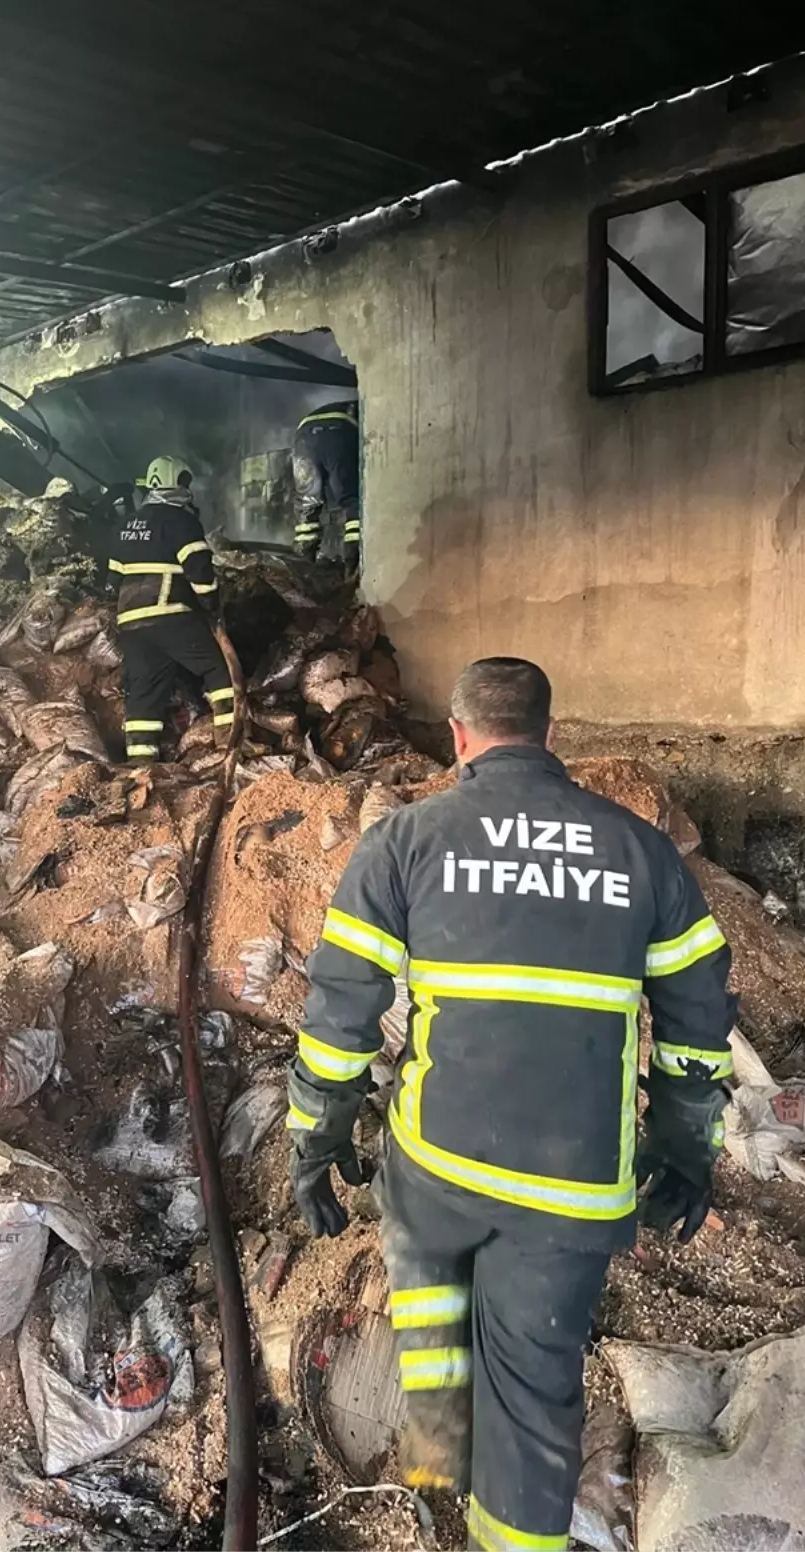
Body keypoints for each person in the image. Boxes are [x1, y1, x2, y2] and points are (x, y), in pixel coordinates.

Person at [287, 657, 733, 1551]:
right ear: (551, 734)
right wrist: (687, 1144)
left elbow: (340, 1009)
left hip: (434, 1170)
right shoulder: (637, 849)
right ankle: (505, 1532)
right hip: (569, 1192)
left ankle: (434, 1484)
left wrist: (317, 1132)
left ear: (457, 738)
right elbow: (699, 1012)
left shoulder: (406, 841)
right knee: (533, 1395)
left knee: (432, 1337)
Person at [106, 455, 234, 762]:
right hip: (171, 614)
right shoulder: (181, 520)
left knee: (144, 690)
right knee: (218, 669)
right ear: (177, 482)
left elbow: (112, 581)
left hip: (131, 622)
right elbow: (200, 572)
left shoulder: (126, 524)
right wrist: (212, 607)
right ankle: (229, 744)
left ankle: (140, 763)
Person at [291, 398, 360, 572]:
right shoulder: (364, 407)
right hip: (339, 432)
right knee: (351, 501)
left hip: (303, 437)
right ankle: (353, 568)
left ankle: (303, 569)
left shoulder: (340, 406)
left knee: (307, 507)